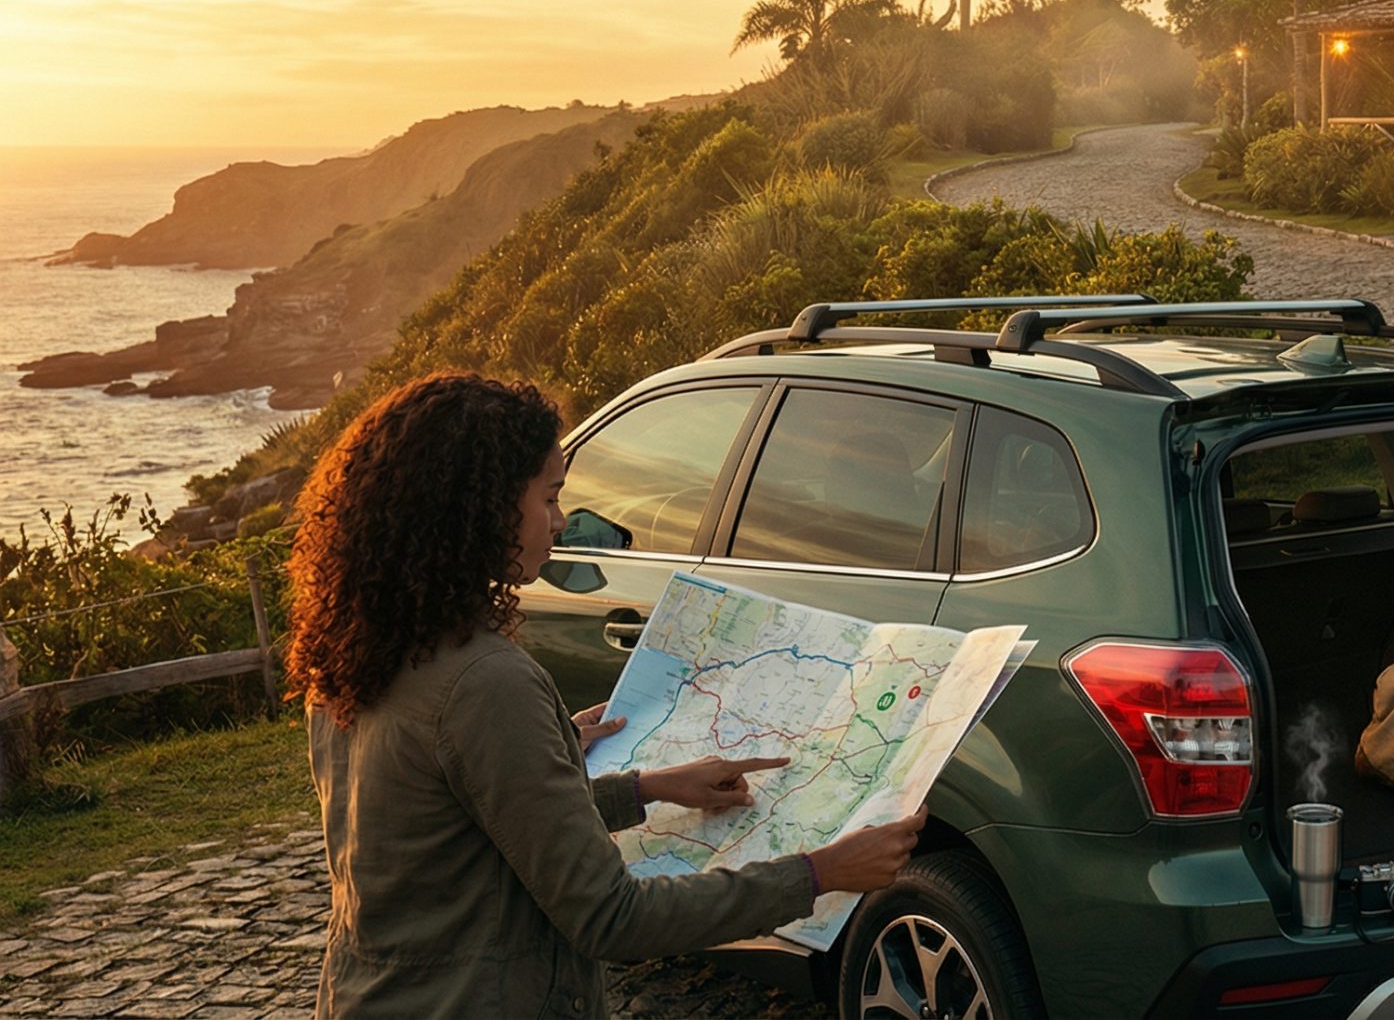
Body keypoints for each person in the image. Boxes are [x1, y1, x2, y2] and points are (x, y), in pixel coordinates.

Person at [286, 371, 925, 1019]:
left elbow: (464, 829)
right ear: (479, 506)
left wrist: (646, 787)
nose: (561, 521)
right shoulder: (485, 683)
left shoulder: (355, 651)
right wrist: (818, 872)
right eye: (550, 496)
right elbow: (612, 916)